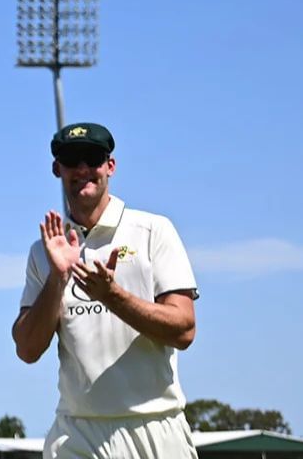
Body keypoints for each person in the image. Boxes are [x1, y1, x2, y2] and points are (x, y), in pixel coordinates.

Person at [12, 123, 200, 459]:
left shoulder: (153, 231)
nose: (82, 169)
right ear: (57, 169)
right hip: (77, 431)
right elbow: (27, 349)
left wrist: (112, 296)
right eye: (72, 159)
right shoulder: (44, 250)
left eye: (93, 158)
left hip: (154, 425)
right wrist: (58, 278)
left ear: (109, 166)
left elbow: (184, 329)